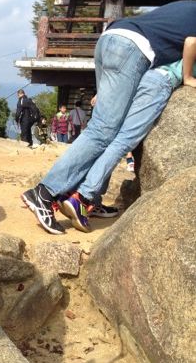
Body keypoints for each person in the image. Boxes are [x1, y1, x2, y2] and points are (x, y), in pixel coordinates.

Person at [21, 0, 196, 235]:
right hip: (133, 49)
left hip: (112, 38)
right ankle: (44, 193)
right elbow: (191, 41)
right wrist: (187, 77)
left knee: (106, 127)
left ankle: (90, 199)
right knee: (103, 131)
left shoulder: (185, 6)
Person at [58, 52, 196, 231]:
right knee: (124, 141)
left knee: (112, 137)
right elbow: (191, 41)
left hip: (146, 76)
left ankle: (80, 193)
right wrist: (187, 77)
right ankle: (82, 197)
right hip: (162, 82)